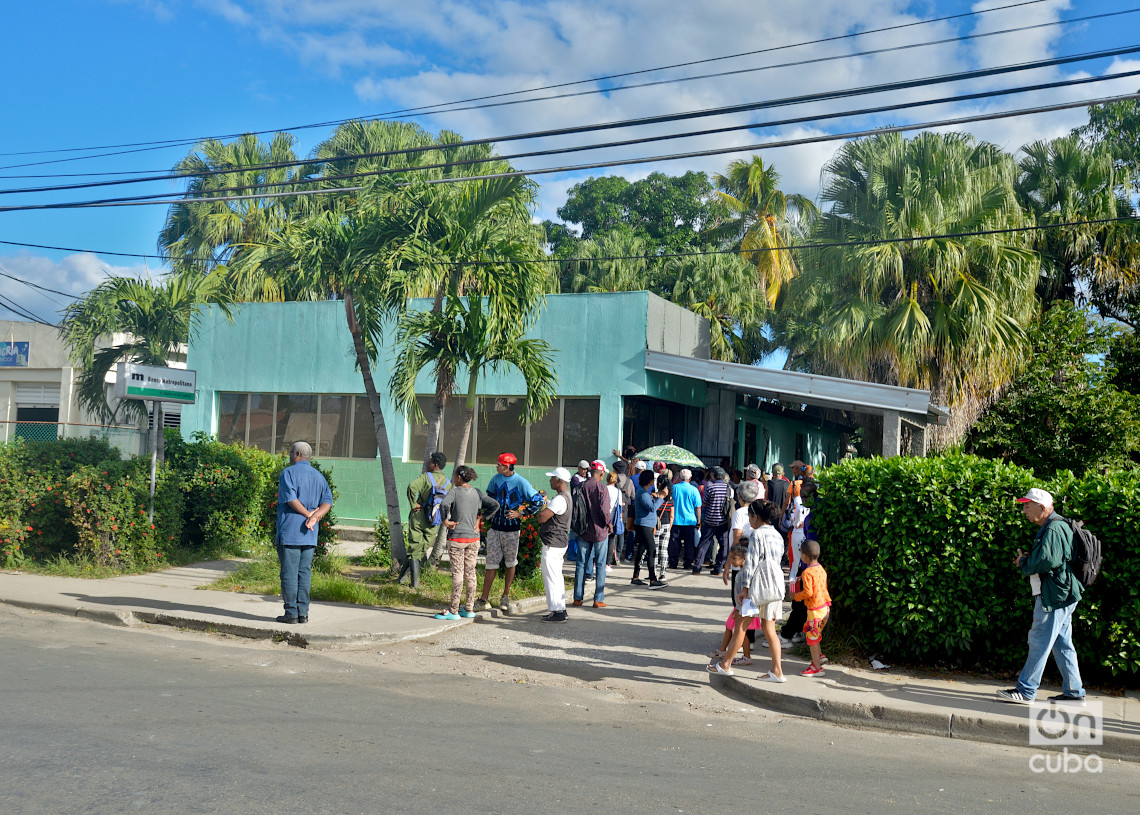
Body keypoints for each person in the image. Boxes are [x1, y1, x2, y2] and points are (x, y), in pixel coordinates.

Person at [997, 488, 1086, 705]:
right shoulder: (1055, 525)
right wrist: (1031, 559)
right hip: (1063, 593)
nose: (1024, 509)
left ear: (1042, 507)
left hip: (1054, 596)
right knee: (1062, 644)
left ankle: (1026, 691)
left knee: (1039, 641)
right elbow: (1050, 557)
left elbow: (1045, 562)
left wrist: (1024, 563)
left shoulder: (1053, 528)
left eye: (1028, 505)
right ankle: (1074, 693)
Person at [709, 500, 786, 678]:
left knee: (740, 627)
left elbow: (750, 564)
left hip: (756, 588)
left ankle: (726, 664)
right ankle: (777, 671)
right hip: (773, 587)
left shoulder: (757, 535)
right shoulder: (777, 535)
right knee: (770, 630)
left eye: (750, 516)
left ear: (756, 516)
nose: (749, 520)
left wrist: (745, 589)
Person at [274, 441, 333, 624]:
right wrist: (315, 517)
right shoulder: (318, 476)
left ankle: (291, 613)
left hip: (291, 531)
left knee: (290, 573)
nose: (290, 456)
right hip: (310, 534)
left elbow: (291, 499)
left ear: (297, 454)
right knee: (304, 573)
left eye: (291, 453)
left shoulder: (288, 473)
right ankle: (303, 613)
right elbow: (327, 502)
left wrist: (309, 514)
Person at [476, 452, 543, 612]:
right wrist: (484, 517)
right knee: (491, 563)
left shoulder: (521, 482)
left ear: (506, 466)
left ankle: (505, 596)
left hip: (512, 530)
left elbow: (539, 501)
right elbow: (489, 500)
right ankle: (484, 599)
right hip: (494, 528)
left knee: (510, 562)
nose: (496, 467)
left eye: (498, 464)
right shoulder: (495, 479)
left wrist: (522, 513)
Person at [435, 466, 500, 620]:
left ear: (459, 477)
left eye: (454, 476)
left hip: (457, 539)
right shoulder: (477, 493)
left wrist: (446, 521)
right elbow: (495, 505)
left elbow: (444, 504)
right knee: (470, 573)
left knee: (458, 573)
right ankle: (469, 608)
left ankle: (454, 610)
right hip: (474, 539)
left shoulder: (454, 492)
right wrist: (480, 519)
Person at [401, 451, 449, 587]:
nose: (428, 464)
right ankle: (402, 579)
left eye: (430, 462)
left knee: (415, 547)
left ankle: (414, 583)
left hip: (419, 515)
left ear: (435, 465)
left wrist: (413, 504)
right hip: (434, 519)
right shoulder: (448, 482)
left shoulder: (425, 478)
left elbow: (412, 487)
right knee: (422, 548)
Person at [709, 544, 759, 666]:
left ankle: (745, 657)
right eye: (730, 557)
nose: (731, 561)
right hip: (740, 607)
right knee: (734, 629)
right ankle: (724, 651)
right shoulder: (742, 571)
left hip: (742, 608)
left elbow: (744, 594)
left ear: (744, 559)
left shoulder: (744, 574)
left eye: (734, 558)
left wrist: (738, 609)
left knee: (741, 632)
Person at [573, 460, 612, 608]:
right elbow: (604, 510)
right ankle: (598, 599)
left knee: (581, 564)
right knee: (601, 565)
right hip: (600, 531)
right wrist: (609, 523)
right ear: (601, 473)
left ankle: (577, 598)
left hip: (583, 530)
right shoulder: (602, 488)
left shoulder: (581, 486)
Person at [536, 468, 573, 622]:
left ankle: (557, 611)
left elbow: (542, 518)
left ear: (559, 481)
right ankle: (560, 609)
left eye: (552, 478)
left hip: (553, 543)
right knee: (556, 577)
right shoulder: (567, 497)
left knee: (551, 578)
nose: (550, 481)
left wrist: (541, 510)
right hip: (560, 542)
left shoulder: (559, 499)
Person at [794, 538, 831, 677]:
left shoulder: (807, 572)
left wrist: (796, 596)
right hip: (825, 607)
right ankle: (819, 656)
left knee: (812, 638)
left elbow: (808, 592)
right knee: (816, 634)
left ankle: (816, 668)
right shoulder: (820, 569)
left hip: (815, 611)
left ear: (804, 555)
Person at [630, 470, 668, 588]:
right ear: (650, 480)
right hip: (644, 525)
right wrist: (661, 498)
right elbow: (652, 508)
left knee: (642, 550)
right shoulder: (643, 493)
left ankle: (635, 577)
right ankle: (653, 579)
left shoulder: (645, 492)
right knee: (652, 550)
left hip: (646, 524)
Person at [694, 466, 733, 576]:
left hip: (710, 520)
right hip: (723, 521)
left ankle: (697, 568)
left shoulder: (709, 487)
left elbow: (705, 502)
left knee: (703, 544)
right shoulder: (728, 488)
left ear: (713, 476)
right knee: (724, 545)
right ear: (724, 476)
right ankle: (718, 568)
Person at [668, 468, 702, 570]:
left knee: (674, 542)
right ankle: (687, 563)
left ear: (679, 477)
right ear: (690, 478)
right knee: (689, 544)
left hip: (675, 520)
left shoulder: (673, 488)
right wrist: (699, 520)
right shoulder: (694, 490)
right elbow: (698, 507)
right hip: (690, 521)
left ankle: (673, 562)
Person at [613, 460, 637, 562]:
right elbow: (633, 496)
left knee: (612, 533)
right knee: (621, 532)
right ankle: (618, 555)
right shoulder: (629, 481)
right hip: (625, 509)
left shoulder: (613, 480)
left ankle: (612, 555)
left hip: (614, 509)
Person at [652, 472, 674, 579]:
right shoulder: (670, 500)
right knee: (664, 550)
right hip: (666, 526)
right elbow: (672, 516)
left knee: (654, 550)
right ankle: (663, 573)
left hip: (655, 526)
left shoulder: (654, 497)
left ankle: (654, 573)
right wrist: (669, 527)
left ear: (659, 484)